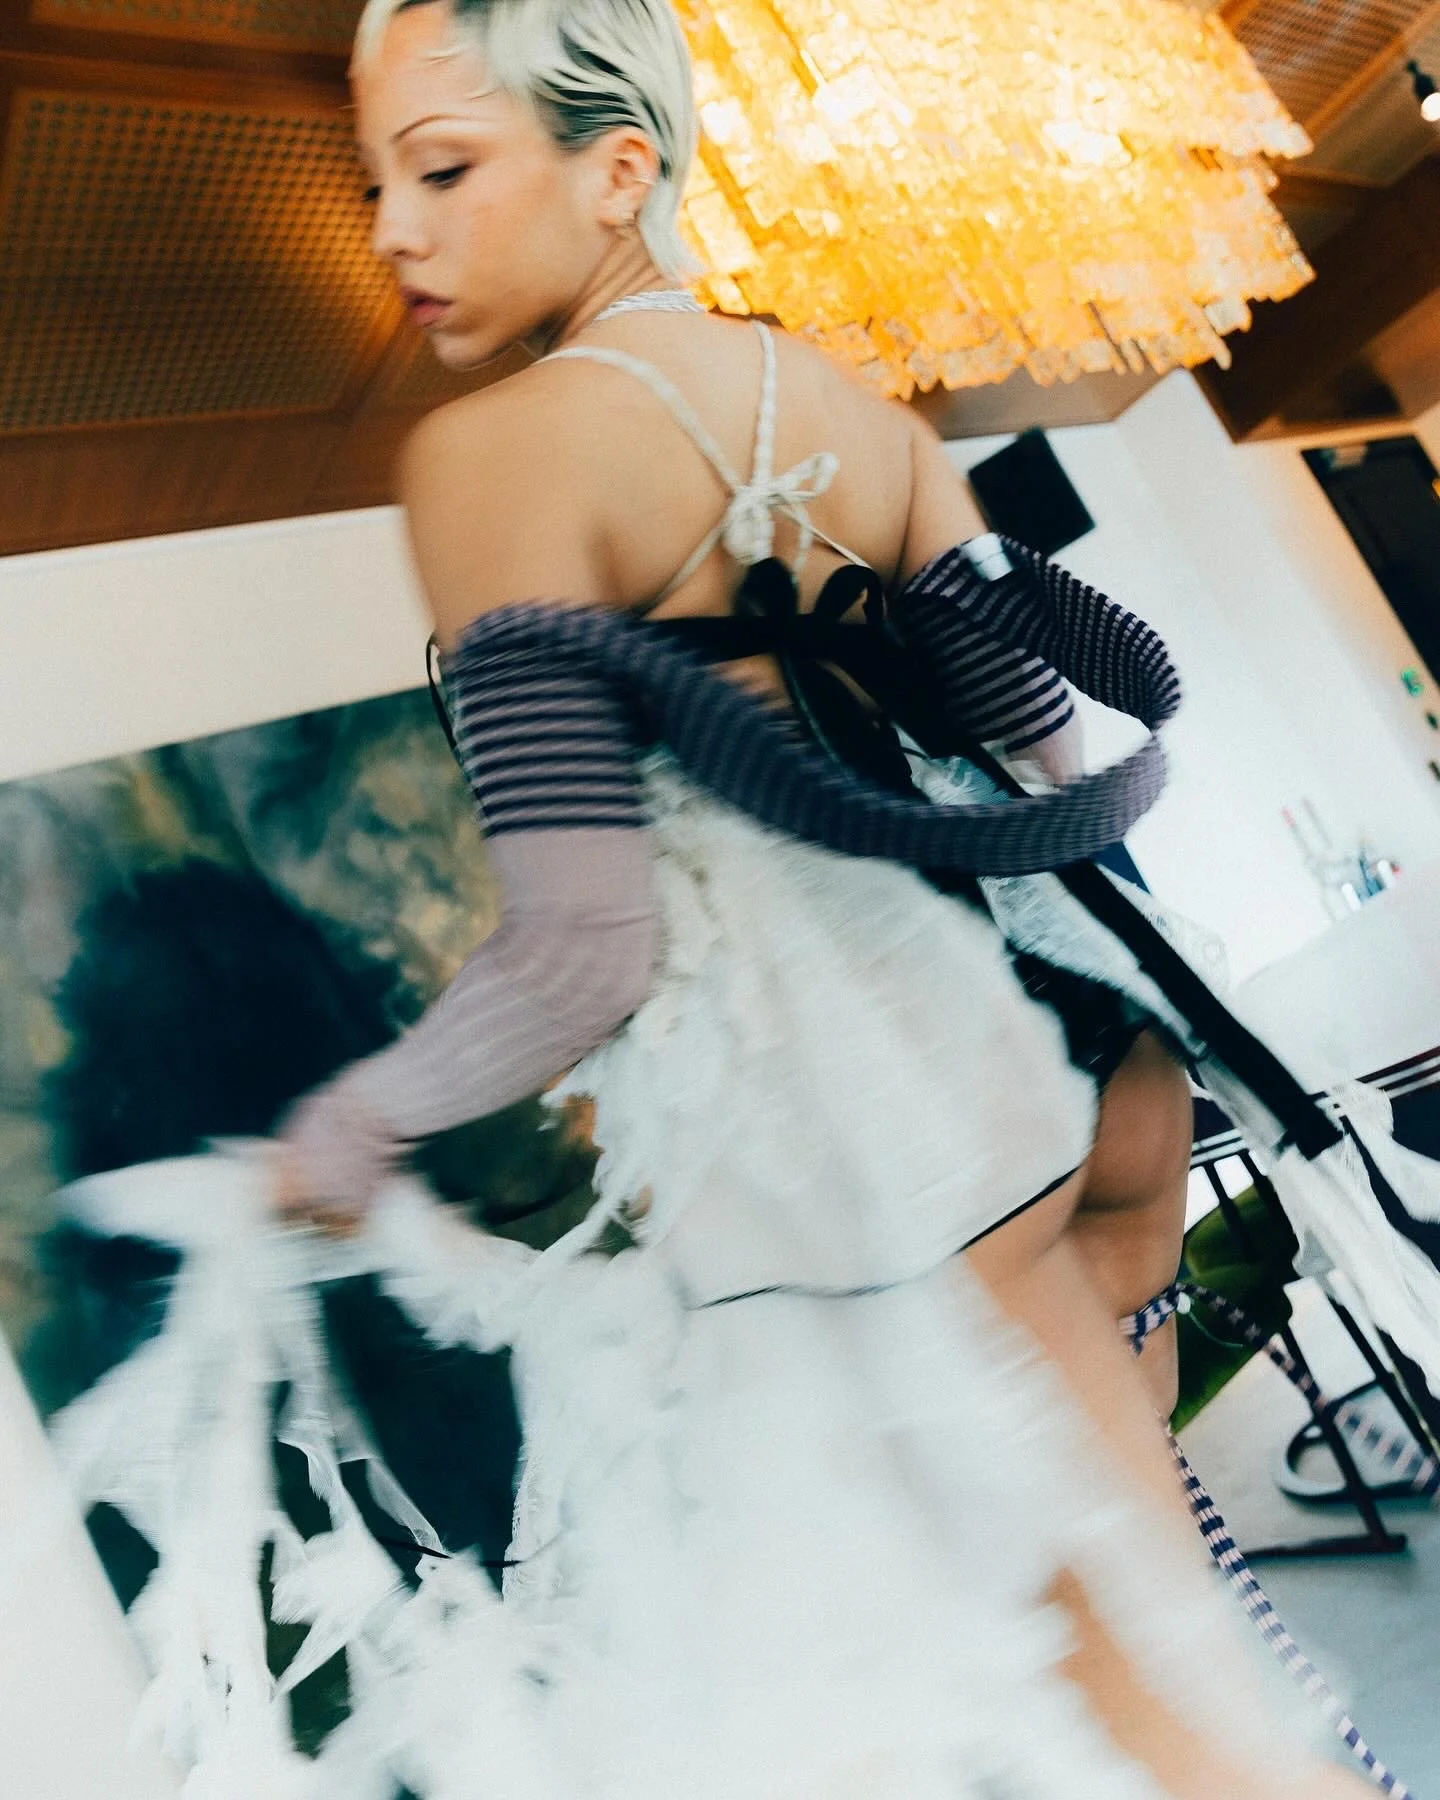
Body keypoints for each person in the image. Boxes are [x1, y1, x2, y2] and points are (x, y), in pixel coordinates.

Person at [50, 0, 1440, 1793]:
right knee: (1151, 1676)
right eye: (380, 180)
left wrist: (351, 1125)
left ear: (619, 166)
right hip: (1018, 1085)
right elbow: (1044, 753)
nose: (392, 231)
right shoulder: (863, 407)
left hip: (839, 1185)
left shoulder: (494, 459)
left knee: (1125, 1728)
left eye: (444, 167)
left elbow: (582, 949)